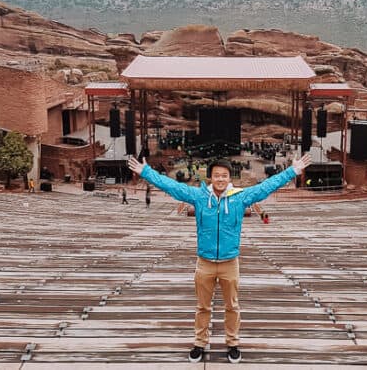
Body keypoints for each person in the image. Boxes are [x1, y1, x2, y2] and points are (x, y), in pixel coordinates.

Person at [129, 153, 311, 364]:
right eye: (216, 175)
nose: (220, 179)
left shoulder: (239, 197)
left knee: (232, 306)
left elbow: (265, 187)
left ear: (229, 177)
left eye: (224, 175)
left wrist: (293, 171)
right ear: (210, 178)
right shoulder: (199, 197)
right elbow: (173, 187)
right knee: (202, 307)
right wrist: (147, 173)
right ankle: (199, 342)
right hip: (204, 263)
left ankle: (232, 343)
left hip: (229, 263)